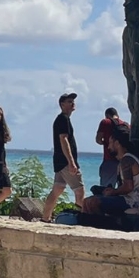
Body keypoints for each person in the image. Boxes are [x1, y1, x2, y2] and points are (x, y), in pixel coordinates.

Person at [82, 132, 139, 219]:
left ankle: (102, 224)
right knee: (86, 202)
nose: (108, 147)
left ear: (117, 143)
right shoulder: (123, 161)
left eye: (110, 143)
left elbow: (128, 187)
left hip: (132, 201)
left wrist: (113, 192)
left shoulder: (127, 160)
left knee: (93, 202)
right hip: (127, 199)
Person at [41, 93, 81, 222]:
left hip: (59, 161)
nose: (72, 103)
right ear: (62, 104)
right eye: (69, 101)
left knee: (57, 189)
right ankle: (81, 219)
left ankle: (45, 218)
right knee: (79, 191)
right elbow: (63, 140)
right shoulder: (62, 120)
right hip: (64, 162)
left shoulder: (63, 119)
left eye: (73, 101)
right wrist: (71, 162)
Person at [95, 107, 129, 189]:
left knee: (106, 189)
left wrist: (106, 143)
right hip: (124, 161)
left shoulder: (105, 122)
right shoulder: (126, 125)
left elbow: (98, 140)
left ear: (107, 115)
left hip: (109, 160)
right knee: (122, 188)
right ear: (117, 115)